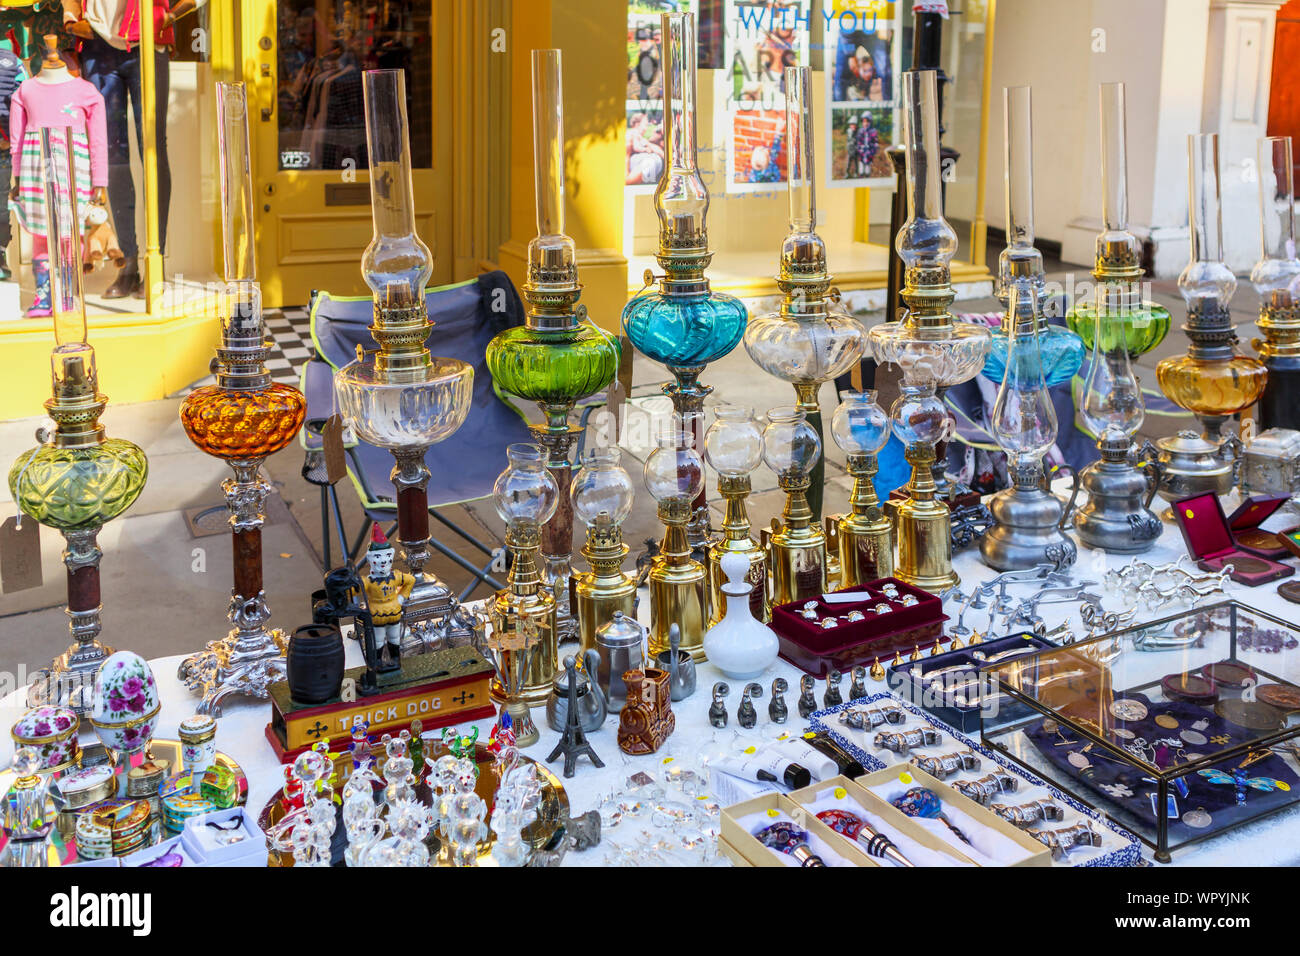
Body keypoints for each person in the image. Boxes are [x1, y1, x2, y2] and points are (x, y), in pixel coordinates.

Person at [62, 0, 200, 298]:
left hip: (147, 45)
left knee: (153, 150)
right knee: (112, 154)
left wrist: (171, 15)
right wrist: (71, 18)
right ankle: (128, 265)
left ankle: (155, 262)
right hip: (97, 48)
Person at [0, 39, 27, 281]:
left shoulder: (12, 62)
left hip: (3, 147)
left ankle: (0, 254)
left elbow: (23, 101)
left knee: (0, 205)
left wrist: (13, 137)